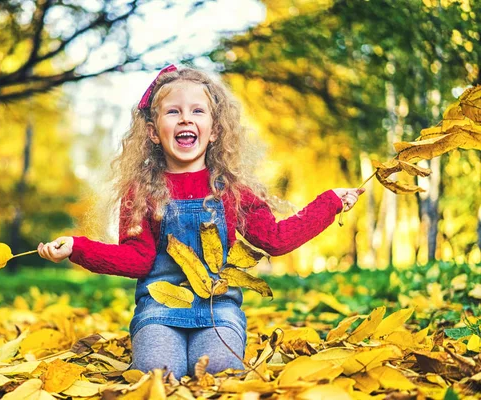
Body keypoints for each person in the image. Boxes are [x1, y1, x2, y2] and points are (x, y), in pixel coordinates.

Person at [38, 65, 364, 378]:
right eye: (173, 111)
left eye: (197, 111)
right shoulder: (141, 192)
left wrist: (330, 202)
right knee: (157, 372)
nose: (185, 118)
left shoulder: (232, 189)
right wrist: (76, 248)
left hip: (218, 309)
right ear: (152, 132)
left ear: (215, 130)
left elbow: (276, 239)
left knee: (220, 368)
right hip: (159, 310)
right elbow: (137, 260)